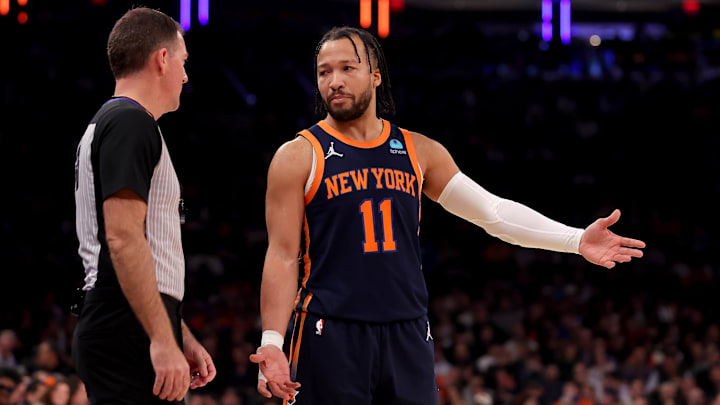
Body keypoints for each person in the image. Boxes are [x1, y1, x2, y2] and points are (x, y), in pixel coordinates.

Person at [250, 26, 645, 405]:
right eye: (324, 72)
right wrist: (272, 341)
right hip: (329, 329)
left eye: (346, 68)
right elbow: (282, 255)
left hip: (407, 332)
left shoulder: (418, 151)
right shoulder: (298, 155)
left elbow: (493, 213)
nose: (334, 80)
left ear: (374, 76)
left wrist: (575, 239)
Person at [72, 7, 215, 404]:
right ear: (162, 58)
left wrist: (176, 333)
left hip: (126, 319)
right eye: (183, 62)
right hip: (125, 324)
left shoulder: (117, 121)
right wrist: (160, 339)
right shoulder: (130, 123)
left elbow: (144, 249)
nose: (186, 77)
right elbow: (121, 238)